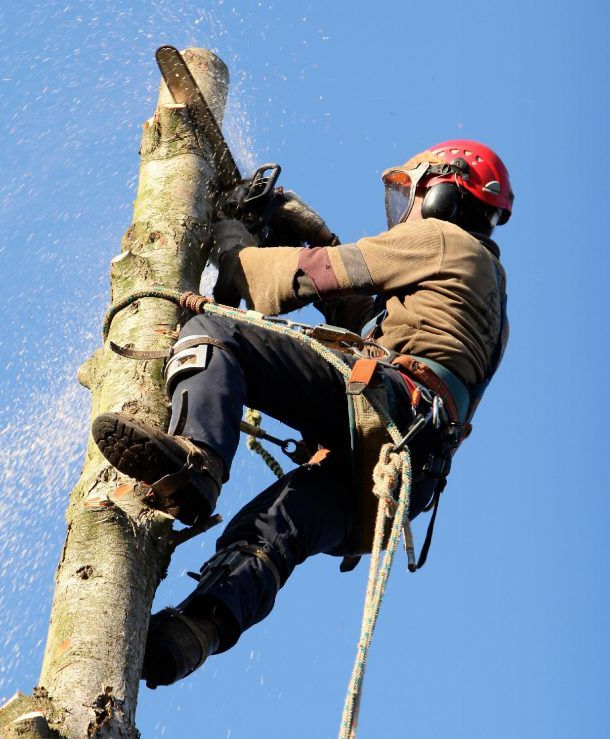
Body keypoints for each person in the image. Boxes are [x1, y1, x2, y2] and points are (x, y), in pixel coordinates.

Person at [91, 139, 514, 688]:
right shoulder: (489, 300)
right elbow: (369, 321)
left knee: (216, 331)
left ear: (441, 193)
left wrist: (235, 250)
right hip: (399, 477)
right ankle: (195, 633)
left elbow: (305, 277)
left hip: (381, 408)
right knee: (271, 530)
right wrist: (315, 235)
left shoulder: (440, 238)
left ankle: (196, 461)